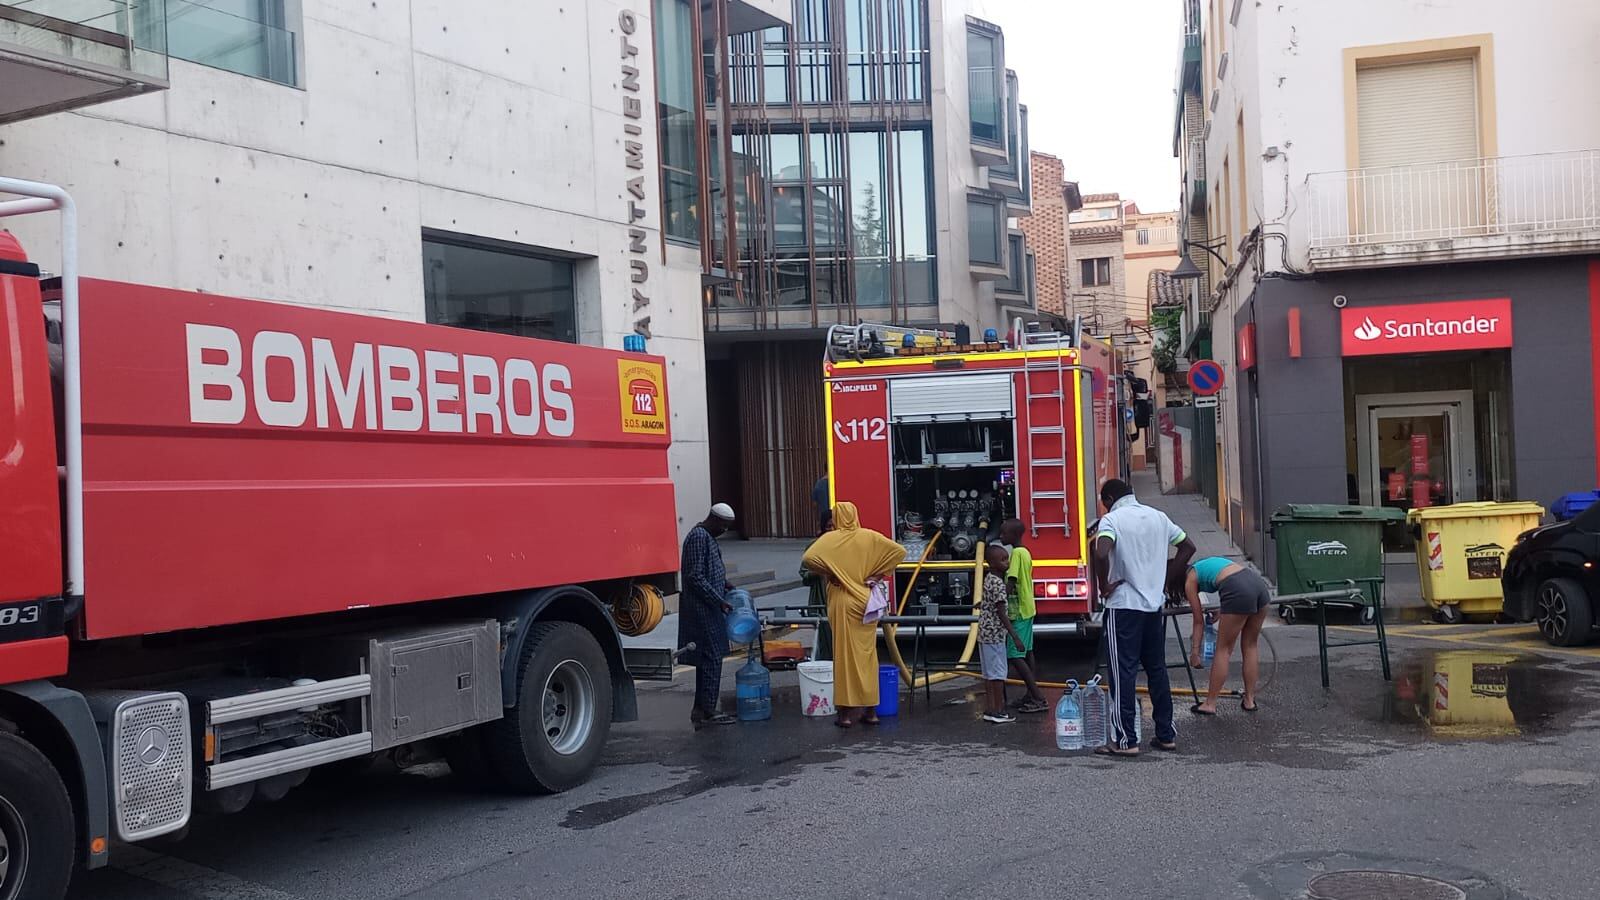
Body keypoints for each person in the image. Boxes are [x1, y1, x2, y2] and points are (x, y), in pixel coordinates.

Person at [1092, 478, 1196, 756]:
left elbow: (1101, 552)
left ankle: (1126, 740)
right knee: (1156, 669)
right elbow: (1188, 547)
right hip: (1153, 606)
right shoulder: (1158, 517)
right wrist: (1164, 580)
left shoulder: (1112, 520)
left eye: (1104, 502)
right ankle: (1165, 734)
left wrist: (1103, 586)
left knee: (1122, 672)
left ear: (1110, 498)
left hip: (1123, 606)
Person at [802, 501, 906, 728]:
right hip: (866, 601)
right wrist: (877, 576)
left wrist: (829, 570)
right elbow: (900, 551)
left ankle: (846, 715)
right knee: (868, 657)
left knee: (844, 658)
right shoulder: (869, 536)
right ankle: (871, 712)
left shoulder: (830, 539)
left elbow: (808, 558)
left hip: (841, 600)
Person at [1185, 557, 1271, 715]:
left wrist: (1195, 652)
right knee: (1250, 645)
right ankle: (1249, 700)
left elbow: (1198, 621)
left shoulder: (1190, 578)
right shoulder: (1205, 565)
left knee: (1223, 649)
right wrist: (1222, 609)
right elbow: (1229, 579)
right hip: (1258, 585)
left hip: (1238, 589)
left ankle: (1210, 703)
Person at [678, 503, 739, 727]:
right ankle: (709, 710)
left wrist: (724, 583)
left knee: (707, 658)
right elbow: (695, 576)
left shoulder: (708, 537)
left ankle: (701, 708)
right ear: (713, 519)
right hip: (702, 609)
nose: (724, 530)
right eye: (723, 526)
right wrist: (718, 600)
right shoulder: (699, 537)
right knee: (712, 657)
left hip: (710, 606)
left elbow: (709, 570)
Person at [999, 518, 1048, 713]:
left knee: (1014, 654)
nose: (1000, 536)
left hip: (1018, 610)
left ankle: (1038, 697)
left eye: (1003, 534)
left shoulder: (1017, 553)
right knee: (1027, 652)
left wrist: (998, 598)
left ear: (1014, 536)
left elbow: (1012, 580)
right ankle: (1030, 694)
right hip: (1027, 608)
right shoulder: (1025, 552)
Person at [978, 544, 1027, 724]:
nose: (1007, 563)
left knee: (989, 675)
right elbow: (1001, 612)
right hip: (995, 635)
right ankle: (998, 711)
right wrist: (1015, 636)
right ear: (991, 563)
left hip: (984, 633)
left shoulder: (989, 578)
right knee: (998, 675)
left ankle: (990, 709)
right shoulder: (998, 583)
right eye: (1003, 560)